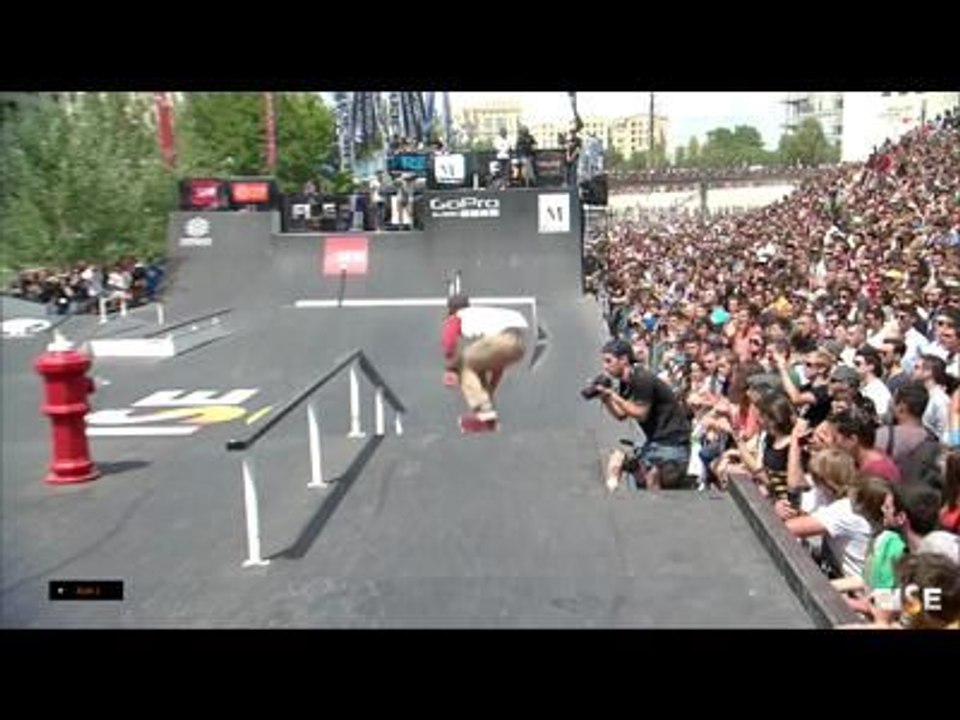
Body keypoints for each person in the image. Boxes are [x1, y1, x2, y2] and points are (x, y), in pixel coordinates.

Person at [595, 339, 692, 491]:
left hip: (672, 445)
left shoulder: (642, 378)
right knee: (617, 458)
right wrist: (606, 399)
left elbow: (641, 414)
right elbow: (621, 414)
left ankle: (652, 511)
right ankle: (611, 499)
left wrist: (613, 396)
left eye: (609, 361)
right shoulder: (625, 382)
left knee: (652, 476)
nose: (605, 367)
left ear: (623, 360)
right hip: (653, 444)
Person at [441, 294, 528, 423]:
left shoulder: (458, 315)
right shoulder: (483, 317)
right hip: (519, 346)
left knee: (464, 364)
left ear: (452, 309)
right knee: (475, 366)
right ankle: (488, 416)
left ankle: (483, 411)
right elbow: (497, 365)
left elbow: (449, 344)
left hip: (500, 341)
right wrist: (490, 391)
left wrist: (451, 368)